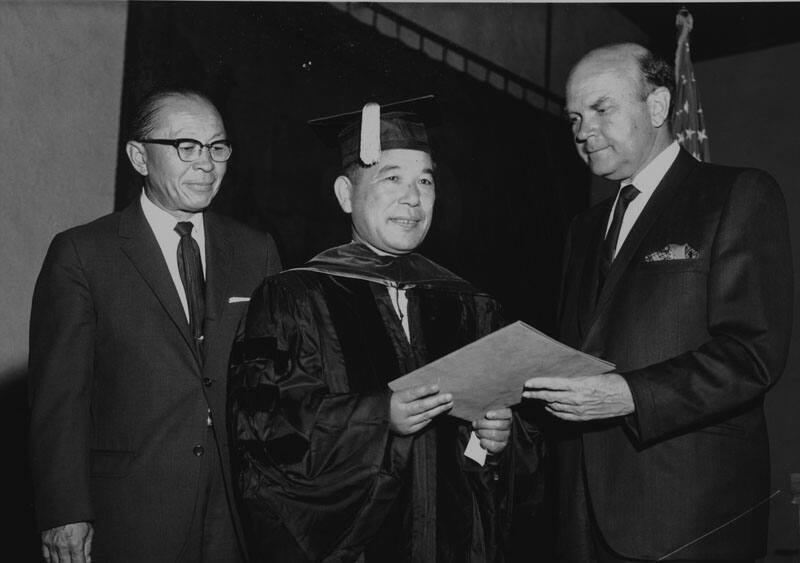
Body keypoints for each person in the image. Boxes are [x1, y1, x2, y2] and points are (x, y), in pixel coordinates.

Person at [228, 96, 545, 562]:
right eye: (392, 178)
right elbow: (263, 435)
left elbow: (522, 451)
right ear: (345, 194)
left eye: (426, 181)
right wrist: (380, 417)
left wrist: (502, 439)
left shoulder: (470, 305)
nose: (413, 198)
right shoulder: (292, 299)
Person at [522, 43, 793, 562]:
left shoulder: (737, 194)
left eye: (601, 109)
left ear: (658, 107)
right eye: (575, 116)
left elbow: (752, 354)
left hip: (689, 517)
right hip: (580, 520)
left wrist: (631, 395)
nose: (582, 130)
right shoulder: (582, 229)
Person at [29, 87, 282, 562]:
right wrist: (64, 511)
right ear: (139, 157)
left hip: (235, 514)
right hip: (130, 511)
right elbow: (60, 397)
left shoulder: (256, 250)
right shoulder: (83, 254)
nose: (206, 164)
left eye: (217, 147)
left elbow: (274, 379)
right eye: (186, 147)